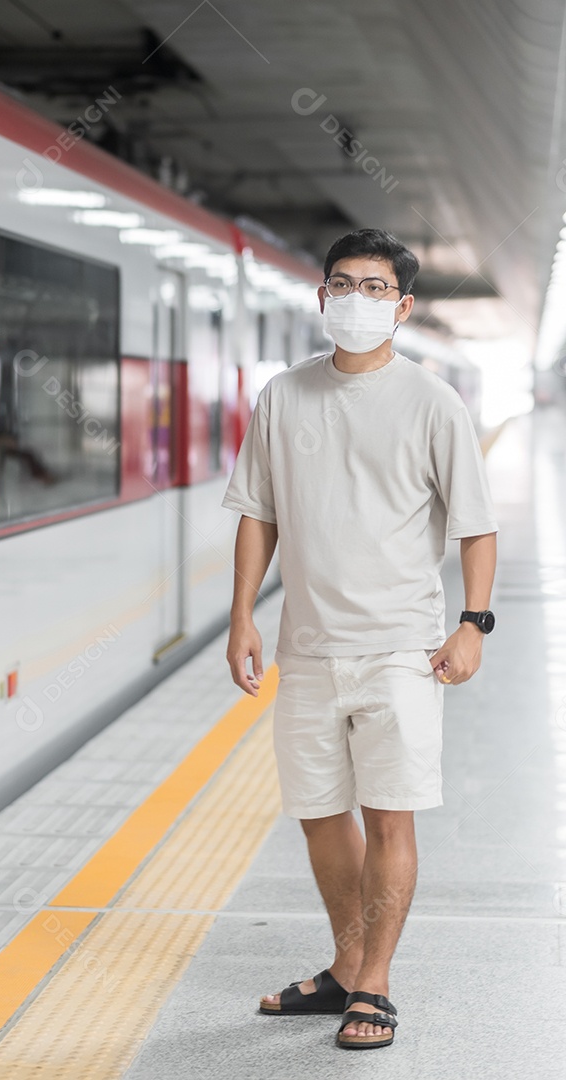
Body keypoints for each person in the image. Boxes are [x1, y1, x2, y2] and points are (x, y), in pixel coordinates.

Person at [221, 228, 498, 1050]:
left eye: (375, 288)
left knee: (389, 820)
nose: (356, 298)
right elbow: (257, 513)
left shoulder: (433, 401)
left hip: (401, 649)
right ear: (321, 298)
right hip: (307, 646)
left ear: (404, 306)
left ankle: (374, 983)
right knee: (317, 815)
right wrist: (243, 613)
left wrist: (472, 624)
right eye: (343, 284)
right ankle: (345, 964)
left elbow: (478, 529)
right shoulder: (283, 395)